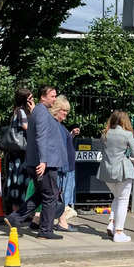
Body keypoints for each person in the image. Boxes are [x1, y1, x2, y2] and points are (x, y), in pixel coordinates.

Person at [6, 86, 67, 240]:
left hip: (40, 162)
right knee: (50, 196)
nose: (55, 99)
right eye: (52, 96)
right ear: (43, 97)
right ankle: (45, 231)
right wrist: (44, 161)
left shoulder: (39, 112)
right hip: (44, 164)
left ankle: (15, 218)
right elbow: (41, 138)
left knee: (41, 195)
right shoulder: (41, 113)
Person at [97, 111, 134, 243]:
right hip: (122, 171)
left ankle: (111, 224)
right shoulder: (127, 134)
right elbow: (133, 154)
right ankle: (119, 232)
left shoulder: (105, 134)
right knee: (123, 200)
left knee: (117, 197)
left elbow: (103, 152)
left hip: (106, 171)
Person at [3, 88, 35, 213]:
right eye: (31, 98)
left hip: (17, 154)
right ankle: (17, 211)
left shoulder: (16, 111)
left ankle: (18, 210)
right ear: (25, 100)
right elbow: (28, 128)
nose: (33, 100)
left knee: (18, 180)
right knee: (19, 180)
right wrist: (34, 112)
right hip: (20, 154)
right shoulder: (21, 112)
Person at [50, 95, 80, 225]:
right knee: (58, 195)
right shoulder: (55, 125)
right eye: (64, 110)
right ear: (57, 109)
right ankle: (61, 222)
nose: (66, 114)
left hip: (65, 166)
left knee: (57, 195)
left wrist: (71, 135)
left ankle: (40, 219)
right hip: (61, 167)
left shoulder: (59, 126)